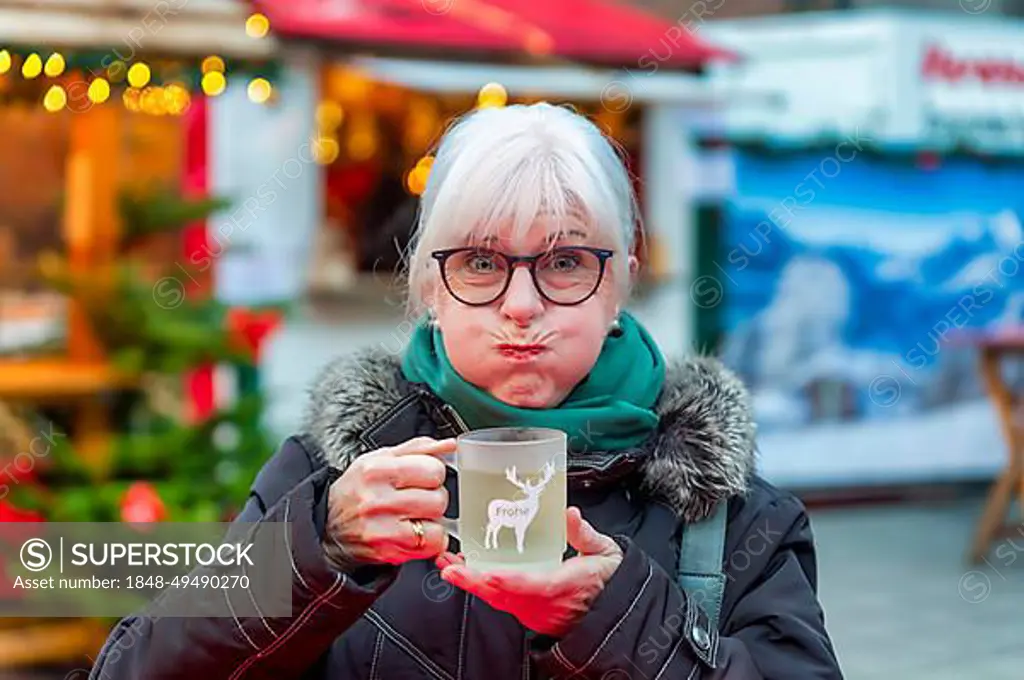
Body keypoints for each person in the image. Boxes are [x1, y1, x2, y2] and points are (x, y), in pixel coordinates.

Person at [90, 103, 844, 679]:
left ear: (618, 285)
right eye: (481, 262)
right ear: (430, 288)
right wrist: (319, 550)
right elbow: (132, 666)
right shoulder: (333, 479)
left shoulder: (728, 515)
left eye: (566, 261)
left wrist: (611, 618)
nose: (522, 305)